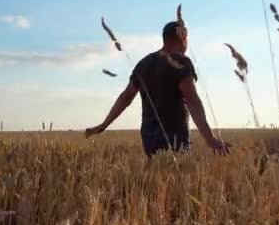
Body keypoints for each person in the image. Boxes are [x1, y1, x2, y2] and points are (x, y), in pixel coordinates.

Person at [85, 20, 230, 157]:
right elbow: (192, 100)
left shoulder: (144, 63)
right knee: (177, 179)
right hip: (174, 136)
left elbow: (126, 96)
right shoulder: (181, 62)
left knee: (159, 177)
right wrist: (210, 138)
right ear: (182, 38)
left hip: (148, 137)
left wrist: (104, 125)